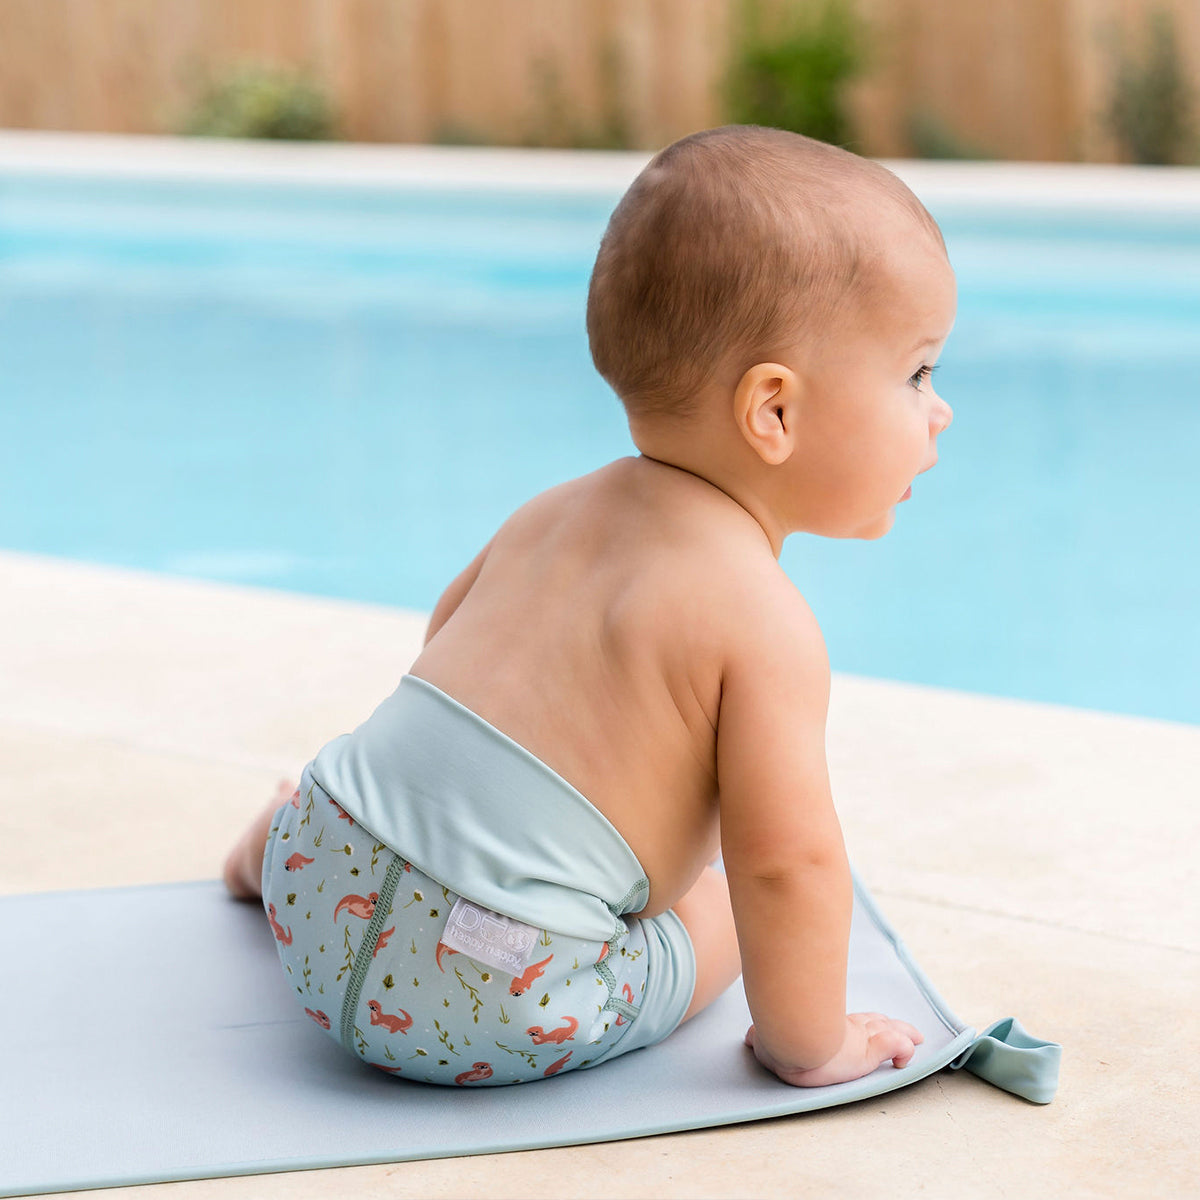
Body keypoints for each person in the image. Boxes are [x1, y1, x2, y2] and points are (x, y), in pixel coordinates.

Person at [224, 125, 954, 1088]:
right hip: (487, 993)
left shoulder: (553, 511)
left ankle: (257, 852)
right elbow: (789, 865)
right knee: (728, 909)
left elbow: (446, 636)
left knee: (360, 809)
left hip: (320, 879)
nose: (937, 409)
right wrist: (809, 1044)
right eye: (917, 373)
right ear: (773, 411)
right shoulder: (763, 620)